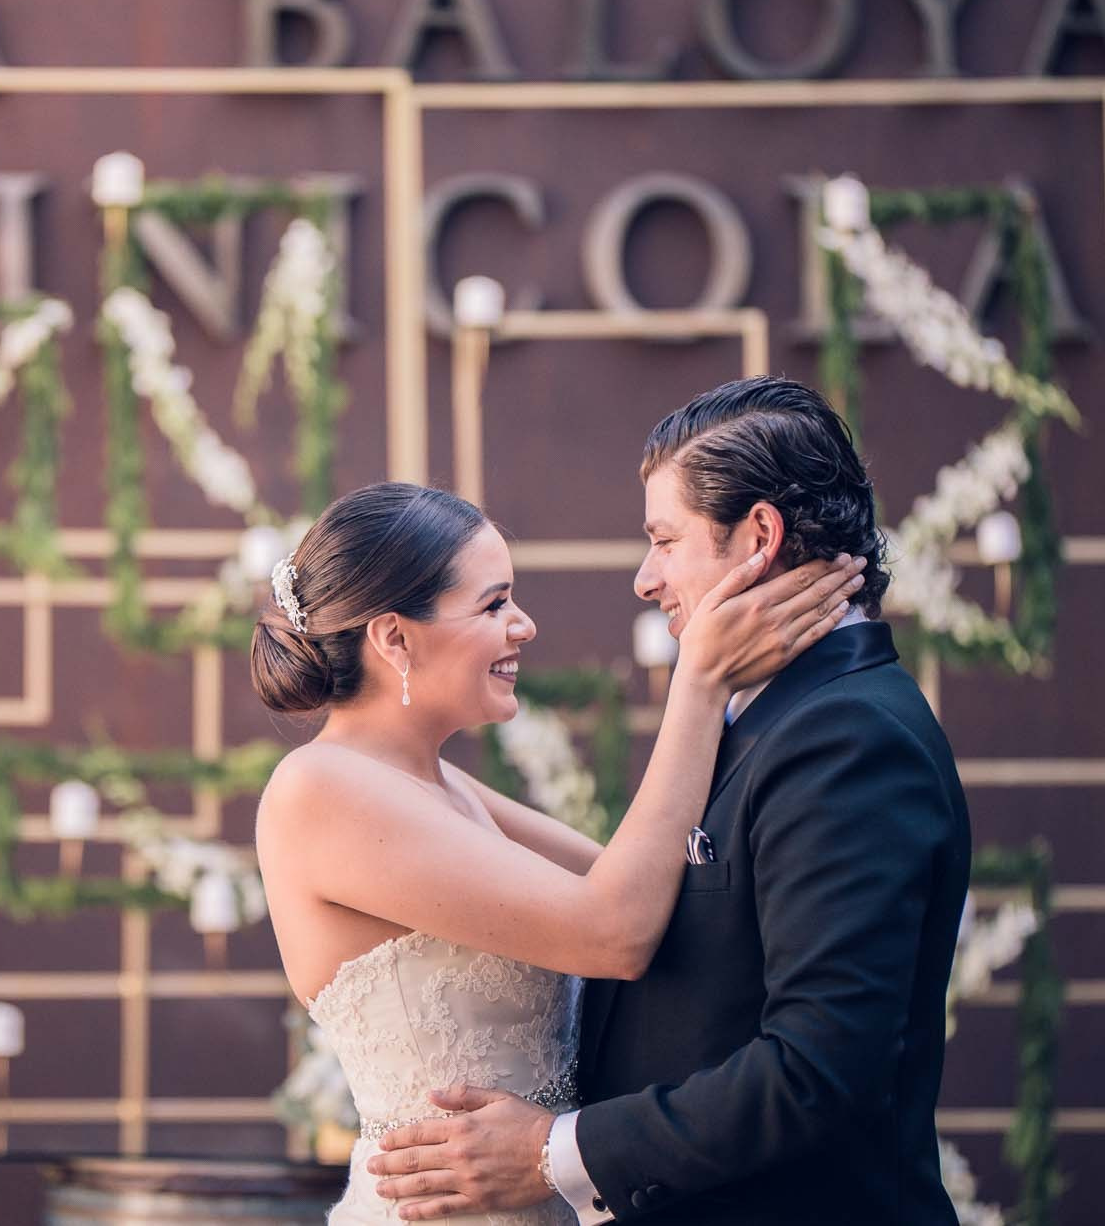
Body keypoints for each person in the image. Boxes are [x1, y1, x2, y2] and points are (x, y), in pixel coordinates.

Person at [364, 377, 972, 1224]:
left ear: (759, 535)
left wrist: (552, 1153)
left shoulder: (849, 737)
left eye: (665, 539)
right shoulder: (755, 711)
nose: (646, 579)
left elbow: (820, 1069)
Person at [252, 476, 865, 1225]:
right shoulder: (318, 790)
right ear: (394, 637)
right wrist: (699, 682)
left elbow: (649, 885)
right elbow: (615, 930)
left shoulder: (445, 787)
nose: (524, 626)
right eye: (494, 603)